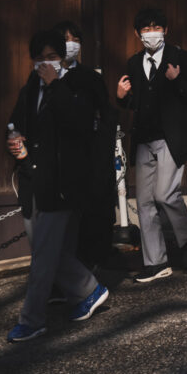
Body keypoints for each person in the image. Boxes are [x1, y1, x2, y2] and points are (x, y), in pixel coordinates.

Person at [5, 29, 109, 342]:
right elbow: (15, 124)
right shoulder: (28, 89)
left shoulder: (76, 84)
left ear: (62, 58)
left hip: (61, 183)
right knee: (45, 250)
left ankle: (32, 319)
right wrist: (14, 141)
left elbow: (80, 124)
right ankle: (89, 290)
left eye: (51, 58)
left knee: (42, 258)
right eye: (39, 58)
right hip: (32, 179)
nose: (45, 64)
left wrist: (55, 84)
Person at [116, 7, 187, 283]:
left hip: (171, 137)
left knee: (165, 194)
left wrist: (177, 80)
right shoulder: (133, 63)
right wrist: (122, 97)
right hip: (143, 138)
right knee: (143, 201)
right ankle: (155, 262)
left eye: (156, 27)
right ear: (136, 33)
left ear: (165, 30)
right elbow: (138, 103)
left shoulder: (181, 58)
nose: (151, 33)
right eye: (145, 29)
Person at [52, 20, 117, 271]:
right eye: (65, 38)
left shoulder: (90, 77)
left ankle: (89, 268)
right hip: (57, 158)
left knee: (90, 214)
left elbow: (106, 115)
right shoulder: (43, 77)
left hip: (88, 156)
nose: (71, 44)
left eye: (76, 39)